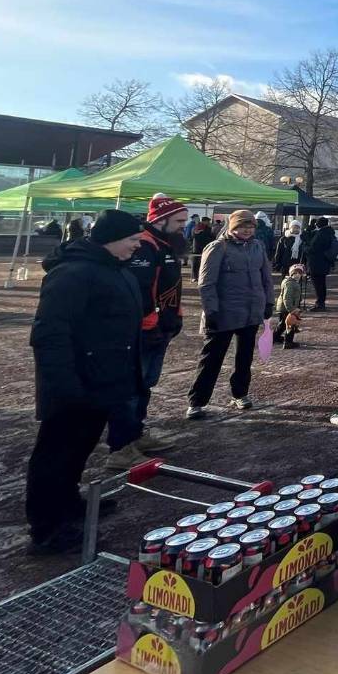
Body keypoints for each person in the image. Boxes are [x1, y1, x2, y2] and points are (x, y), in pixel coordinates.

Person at [25, 209, 145, 553]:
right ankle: (46, 528)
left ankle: (68, 503)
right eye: (133, 240)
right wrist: (66, 385)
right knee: (55, 453)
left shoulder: (112, 268)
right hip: (74, 382)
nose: (137, 246)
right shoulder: (74, 273)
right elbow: (50, 333)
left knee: (78, 448)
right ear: (113, 239)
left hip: (101, 381)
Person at [105, 195, 188, 470]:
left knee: (144, 385)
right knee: (130, 387)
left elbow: (169, 286)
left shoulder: (165, 244)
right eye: (178, 221)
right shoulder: (145, 246)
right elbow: (138, 290)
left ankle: (136, 434)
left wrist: (175, 317)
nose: (183, 226)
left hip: (161, 327)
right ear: (160, 219)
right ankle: (121, 446)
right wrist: (151, 321)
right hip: (143, 330)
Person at [187, 211, 273, 419]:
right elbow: (206, 283)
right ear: (232, 227)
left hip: (251, 311)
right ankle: (197, 401)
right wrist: (211, 311)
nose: (247, 230)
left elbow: (266, 277)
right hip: (224, 312)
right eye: (243, 226)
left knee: (244, 357)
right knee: (212, 358)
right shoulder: (218, 247)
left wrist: (268, 302)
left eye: (251, 226)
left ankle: (240, 393)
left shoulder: (257, 246)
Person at [305, 218, 338, 311]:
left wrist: (305, 249)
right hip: (324, 263)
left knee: (318, 285)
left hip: (317, 263)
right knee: (322, 284)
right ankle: (321, 302)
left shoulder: (321, 234)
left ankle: (319, 304)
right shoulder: (329, 233)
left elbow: (313, 248)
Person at [274, 262, 305, 348]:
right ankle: (288, 342)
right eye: (295, 273)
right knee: (290, 324)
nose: (298, 275)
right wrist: (291, 309)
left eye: (300, 273)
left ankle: (275, 337)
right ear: (291, 273)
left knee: (283, 324)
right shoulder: (290, 283)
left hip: (285, 307)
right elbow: (287, 298)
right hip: (287, 308)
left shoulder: (292, 282)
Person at [189, 215, 213, 281]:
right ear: (204, 221)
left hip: (200, 247)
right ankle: (195, 276)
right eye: (208, 221)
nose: (209, 222)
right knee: (196, 262)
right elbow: (195, 236)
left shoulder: (202, 228)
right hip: (198, 247)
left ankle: (197, 276)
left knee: (200, 262)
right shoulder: (199, 228)